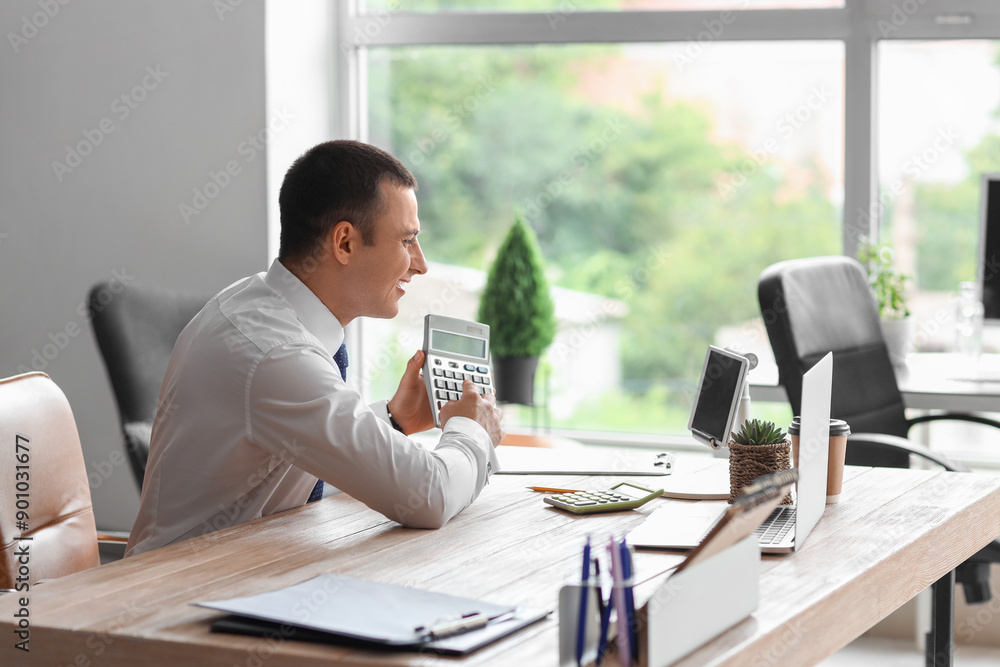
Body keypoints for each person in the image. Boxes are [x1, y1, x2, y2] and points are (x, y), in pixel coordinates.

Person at [125, 141, 504, 556]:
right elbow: (429, 496)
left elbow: (296, 450)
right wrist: (473, 431)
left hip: (242, 575)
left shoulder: (266, 306)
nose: (421, 262)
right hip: (172, 599)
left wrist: (394, 420)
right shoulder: (275, 352)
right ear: (344, 243)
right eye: (407, 240)